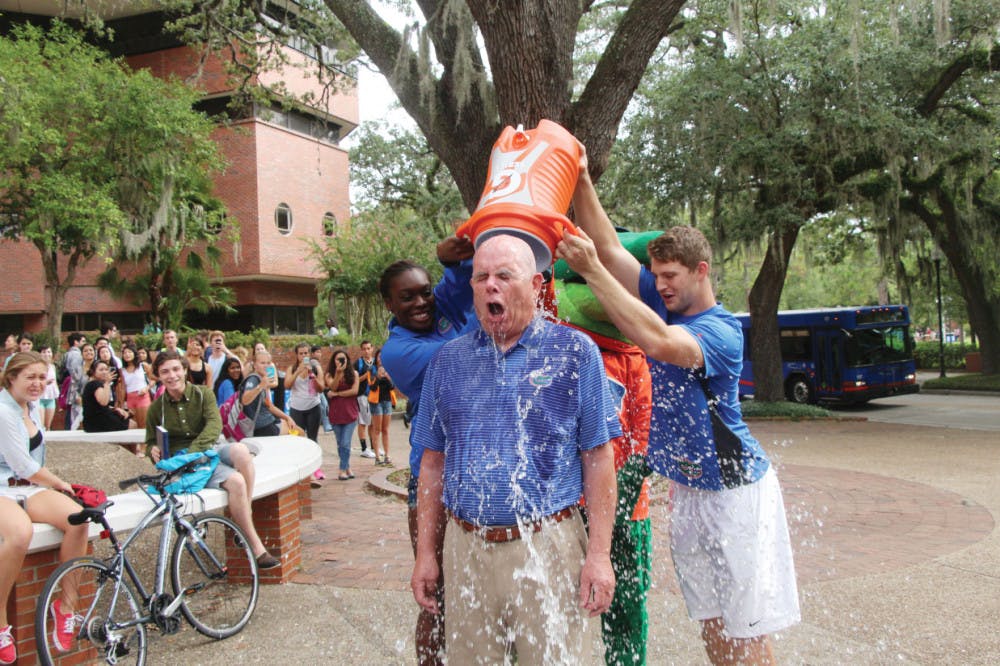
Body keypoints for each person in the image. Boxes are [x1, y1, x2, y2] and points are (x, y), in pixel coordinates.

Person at [557, 154, 801, 665]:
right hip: (689, 493)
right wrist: (580, 176)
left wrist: (593, 272)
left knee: (746, 628)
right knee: (711, 622)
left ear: (701, 271)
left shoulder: (719, 331)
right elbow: (606, 243)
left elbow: (659, 341)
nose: (660, 283)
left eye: (670, 275)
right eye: (655, 274)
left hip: (736, 493)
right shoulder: (662, 297)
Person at [410, 234, 620, 664]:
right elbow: (432, 465)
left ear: (538, 286)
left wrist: (599, 555)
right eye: (481, 276)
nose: (491, 285)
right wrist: (426, 555)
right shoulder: (447, 362)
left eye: (505, 275)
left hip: (549, 545)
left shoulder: (576, 353)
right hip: (466, 548)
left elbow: (598, 458)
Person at [379, 235, 475, 666]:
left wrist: (450, 263)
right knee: (437, 594)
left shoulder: (440, 314)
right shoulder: (400, 352)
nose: (422, 302)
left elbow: (459, 287)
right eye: (408, 297)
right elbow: (472, 354)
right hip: (434, 482)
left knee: (484, 586)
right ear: (389, 305)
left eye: (425, 291)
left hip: (478, 474)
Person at [144, 351, 280, 569]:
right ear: (159, 376)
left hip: (209, 450)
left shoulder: (203, 394)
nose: (172, 375)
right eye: (165, 372)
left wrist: (195, 451)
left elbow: (214, 426)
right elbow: (150, 441)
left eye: (176, 369)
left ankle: (248, 509)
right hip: (184, 464)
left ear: (185, 370)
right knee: (236, 482)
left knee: (241, 451)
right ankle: (257, 549)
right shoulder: (155, 408)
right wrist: (152, 450)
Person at [0, 352, 90, 663]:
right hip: (2, 488)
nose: (38, 384)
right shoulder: (2, 409)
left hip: (28, 488)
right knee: (20, 533)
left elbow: (35, 464)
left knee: (78, 519)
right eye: (31, 377)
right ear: (11, 378)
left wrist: (52, 485)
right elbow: (22, 464)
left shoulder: (32, 407)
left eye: (42, 377)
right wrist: (60, 483)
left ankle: (65, 606)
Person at [284, 343, 325, 484]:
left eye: (306, 353)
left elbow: (321, 388)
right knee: (298, 440)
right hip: (296, 408)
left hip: (313, 406)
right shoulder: (292, 368)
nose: (304, 356)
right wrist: (298, 372)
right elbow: (287, 385)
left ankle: (315, 469)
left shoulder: (315, 367)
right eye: (301, 353)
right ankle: (300, 469)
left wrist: (311, 375)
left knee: (312, 439)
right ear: (296, 355)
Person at [323, 349, 359, 481]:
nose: (341, 361)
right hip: (336, 413)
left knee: (345, 442)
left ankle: (342, 469)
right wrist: (338, 373)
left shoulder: (354, 374)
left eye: (343, 359)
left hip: (350, 412)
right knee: (340, 444)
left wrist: (337, 394)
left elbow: (354, 391)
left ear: (348, 360)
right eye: (338, 359)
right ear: (334, 361)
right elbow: (332, 387)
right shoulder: (329, 374)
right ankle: (347, 466)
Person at [241, 350, 295, 437]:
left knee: (294, 428)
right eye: (262, 363)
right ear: (255, 365)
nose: (266, 365)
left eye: (268, 363)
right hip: (262, 426)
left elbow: (270, 406)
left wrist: (287, 417)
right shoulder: (253, 379)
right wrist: (261, 386)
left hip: (267, 422)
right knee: (299, 432)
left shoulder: (263, 379)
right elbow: (245, 400)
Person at [82, 360, 135, 435]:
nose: (104, 372)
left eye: (106, 369)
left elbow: (97, 405)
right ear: (93, 372)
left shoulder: (93, 384)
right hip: (98, 422)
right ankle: (132, 447)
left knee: (128, 420)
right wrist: (107, 383)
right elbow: (103, 402)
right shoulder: (95, 384)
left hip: (93, 422)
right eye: (101, 370)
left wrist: (115, 409)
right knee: (132, 424)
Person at [367, 349, 395, 466]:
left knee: (386, 429)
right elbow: (372, 388)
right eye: (378, 357)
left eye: (382, 357)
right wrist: (378, 377)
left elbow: (392, 387)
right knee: (377, 429)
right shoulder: (371, 370)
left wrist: (387, 377)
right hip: (376, 402)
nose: (380, 359)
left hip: (387, 401)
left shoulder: (389, 369)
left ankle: (387, 455)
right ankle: (377, 456)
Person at [120, 343, 155, 429]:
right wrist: (121, 402)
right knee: (133, 425)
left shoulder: (143, 366)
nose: (127, 354)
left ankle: (145, 443)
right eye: (125, 353)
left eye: (129, 352)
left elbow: (154, 379)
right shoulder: (122, 370)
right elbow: (123, 387)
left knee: (144, 425)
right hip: (130, 398)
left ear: (134, 353)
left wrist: (146, 388)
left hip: (142, 396)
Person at [354, 341, 376, 459]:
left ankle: (374, 447)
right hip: (363, 395)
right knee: (363, 422)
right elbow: (354, 379)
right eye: (364, 349)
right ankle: (364, 448)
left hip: (375, 396)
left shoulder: (376, 362)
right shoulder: (359, 363)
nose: (367, 351)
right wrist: (366, 375)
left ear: (372, 349)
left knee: (373, 422)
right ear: (361, 350)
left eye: (368, 348)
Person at [62, 333, 86, 430]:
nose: (84, 343)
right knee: (74, 413)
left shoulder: (66, 354)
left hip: (69, 384)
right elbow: (75, 372)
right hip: (74, 385)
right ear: (76, 342)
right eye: (83, 341)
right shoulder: (76, 355)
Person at [37, 345, 60, 431]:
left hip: (51, 398)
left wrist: (58, 396)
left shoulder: (52, 366)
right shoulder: (37, 367)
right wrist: (46, 382)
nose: (47, 354)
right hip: (40, 398)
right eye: (44, 352)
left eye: (49, 352)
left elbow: (55, 382)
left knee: (48, 426)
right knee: (40, 425)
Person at [311, 345, 333, 433]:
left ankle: (326, 426)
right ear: (312, 354)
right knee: (323, 406)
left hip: (317, 389)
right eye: (317, 352)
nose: (319, 354)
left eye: (320, 352)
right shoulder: (314, 362)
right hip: (316, 389)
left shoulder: (314, 363)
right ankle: (326, 426)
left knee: (323, 406)